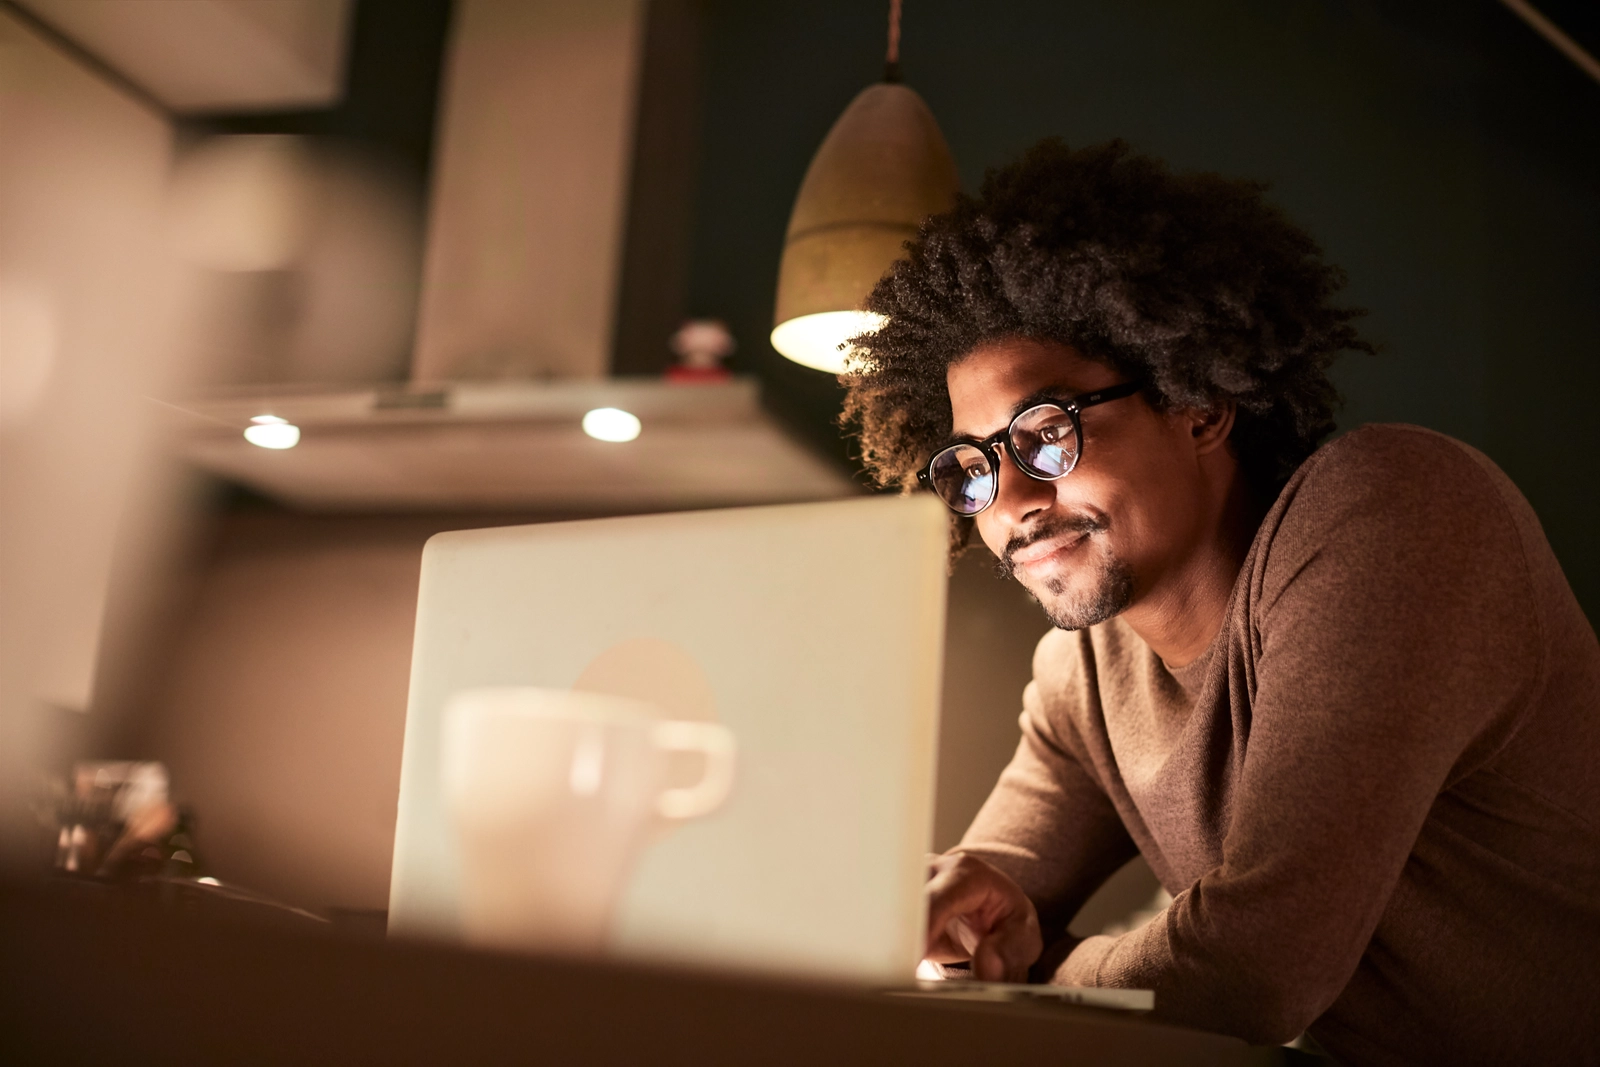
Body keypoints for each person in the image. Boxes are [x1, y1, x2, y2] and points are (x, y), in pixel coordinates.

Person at [840, 139, 1600, 1065]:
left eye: (1046, 433)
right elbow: (972, 922)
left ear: (1197, 403)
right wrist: (965, 935)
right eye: (976, 465)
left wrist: (1051, 972)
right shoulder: (1086, 672)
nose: (1012, 504)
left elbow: (1253, 966)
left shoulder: (1393, 510)